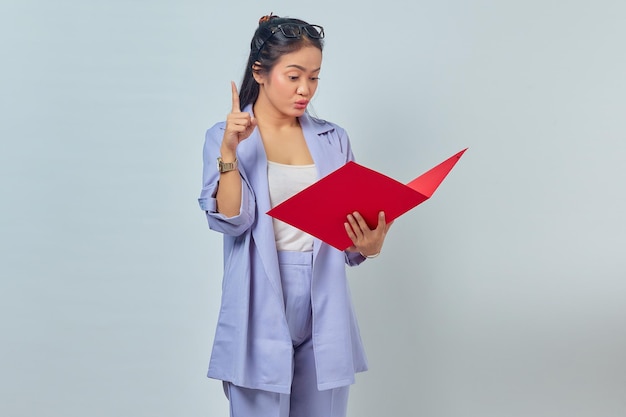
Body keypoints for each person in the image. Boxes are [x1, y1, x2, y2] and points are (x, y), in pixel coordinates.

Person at [198, 13, 392, 417]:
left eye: (315, 77)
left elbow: (347, 234)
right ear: (261, 72)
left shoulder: (333, 139)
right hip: (259, 295)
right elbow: (232, 220)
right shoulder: (224, 137)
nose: (306, 89)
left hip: (325, 295)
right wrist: (230, 153)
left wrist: (368, 244)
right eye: (294, 76)